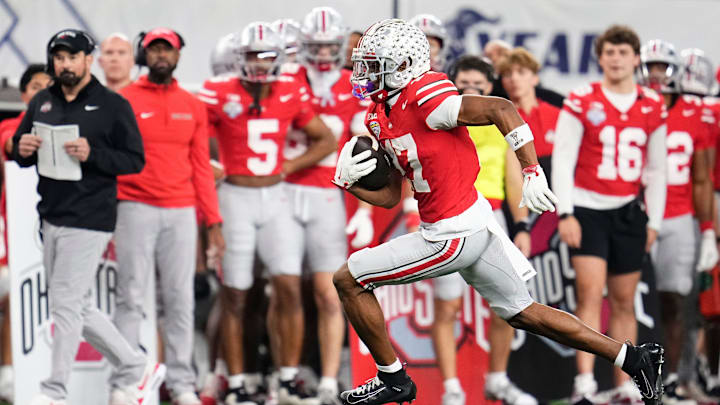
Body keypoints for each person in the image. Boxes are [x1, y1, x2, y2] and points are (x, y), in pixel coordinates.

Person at [334, 18, 664, 405]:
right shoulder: (379, 113)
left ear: (404, 65)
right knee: (523, 311)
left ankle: (393, 379)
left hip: (451, 233)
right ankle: (635, 357)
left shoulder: (426, 95)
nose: (366, 73)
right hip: (469, 223)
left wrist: (531, 169)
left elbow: (501, 108)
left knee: (349, 279)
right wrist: (350, 182)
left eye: (376, 65)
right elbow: (391, 196)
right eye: (366, 63)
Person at [12, 28, 165, 405]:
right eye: (59, 57)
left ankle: (54, 392)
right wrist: (23, 147)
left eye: (72, 57)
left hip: (91, 216)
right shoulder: (42, 101)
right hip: (51, 214)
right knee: (76, 305)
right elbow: (18, 147)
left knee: (64, 304)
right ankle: (136, 366)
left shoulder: (113, 104)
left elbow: (134, 160)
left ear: (88, 59)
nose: (65, 64)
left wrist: (92, 153)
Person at [198, 22, 335, 405]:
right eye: (252, 55)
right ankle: (238, 382)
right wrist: (206, 162)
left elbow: (325, 138)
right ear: (237, 59)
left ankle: (288, 380)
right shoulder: (219, 90)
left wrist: (287, 168)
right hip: (235, 198)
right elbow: (193, 132)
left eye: (266, 55)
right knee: (236, 296)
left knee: (289, 288)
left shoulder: (291, 88)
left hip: (276, 198)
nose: (260, 63)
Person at [109, 27, 226, 405]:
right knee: (130, 296)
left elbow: (202, 169)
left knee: (180, 300)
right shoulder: (122, 100)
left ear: (177, 56)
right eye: (155, 49)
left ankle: (181, 384)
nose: (161, 55)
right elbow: (107, 161)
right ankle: (126, 382)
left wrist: (214, 223)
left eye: (168, 50)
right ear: (145, 54)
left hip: (180, 210)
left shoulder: (192, 105)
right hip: (133, 207)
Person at [552, 25, 668, 403]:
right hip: (587, 207)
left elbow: (656, 169)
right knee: (589, 296)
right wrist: (565, 212)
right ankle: (584, 382)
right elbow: (564, 158)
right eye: (609, 52)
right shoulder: (582, 99)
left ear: (636, 58)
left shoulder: (651, 104)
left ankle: (624, 384)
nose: (616, 58)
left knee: (624, 300)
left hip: (628, 211)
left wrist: (655, 220)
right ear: (600, 58)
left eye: (623, 52)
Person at [276, 7, 372, 405]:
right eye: (313, 46)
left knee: (328, 291)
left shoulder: (355, 84)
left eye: (328, 46)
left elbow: (368, 143)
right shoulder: (285, 78)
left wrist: (365, 208)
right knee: (283, 289)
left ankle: (330, 380)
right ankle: (286, 376)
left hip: (327, 192)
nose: (320, 54)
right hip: (281, 190)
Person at [430, 55, 534, 405]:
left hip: (490, 214)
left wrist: (522, 224)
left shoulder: (499, 117)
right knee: (447, 306)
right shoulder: (438, 115)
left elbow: (512, 176)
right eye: (465, 84)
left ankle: (497, 378)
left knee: (511, 301)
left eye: (479, 85)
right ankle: (452, 389)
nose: (471, 90)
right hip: (447, 212)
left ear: (491, 87)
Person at [639, 39, 717, 403]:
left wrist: (707, 232)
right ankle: (631, 380)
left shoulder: (697, 113)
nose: (656, 75)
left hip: (680, 215)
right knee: (631, 300)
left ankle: (672, 377)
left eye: (662, 67)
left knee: (676, 300)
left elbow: (702, 179)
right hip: (637, 215)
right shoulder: (634, 107)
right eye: (650, 66)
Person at [0, 62, 51, 403]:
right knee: (12, 297)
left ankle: (47, 371)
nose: (41, 92)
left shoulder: (75, 127)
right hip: (13, 225)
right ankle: (7, 372)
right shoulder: (9, 127)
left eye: (48, 86)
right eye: (35, 86)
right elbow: (10, 146)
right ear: (24, 94)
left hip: (58, 224)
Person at [497, 48, 560, 172]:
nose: (514, 78)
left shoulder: (558, 115)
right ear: (502, 82)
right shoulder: (499, 119)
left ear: (535, 78)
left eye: (521, 72)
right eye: (507, 74)